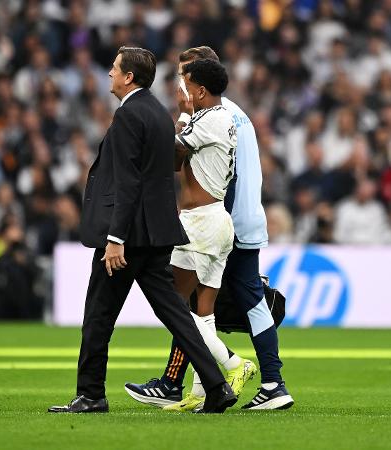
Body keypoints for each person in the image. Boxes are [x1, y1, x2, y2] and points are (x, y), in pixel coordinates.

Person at [48, 47, 236, 414]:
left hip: (128, 236)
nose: (109, 75)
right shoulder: (159, 114)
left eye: (115, 69)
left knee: (99, 314)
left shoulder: (129, 116)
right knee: (176, 314)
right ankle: (216, 386)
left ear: (129, 77)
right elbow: (162, 174)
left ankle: (90, 394)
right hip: (157, 234)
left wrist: (115, 239)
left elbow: (128, 182)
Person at [126, 46, 294, 411]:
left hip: (216, 219)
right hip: (231, 218)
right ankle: (213, 388)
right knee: (210, 307)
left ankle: (223, 370)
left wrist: (178, 120)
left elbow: (177, 158)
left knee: (176, 301)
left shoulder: (215, 117)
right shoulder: (237, 115)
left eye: (184, 77)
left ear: (202, 83)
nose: (179, 85)